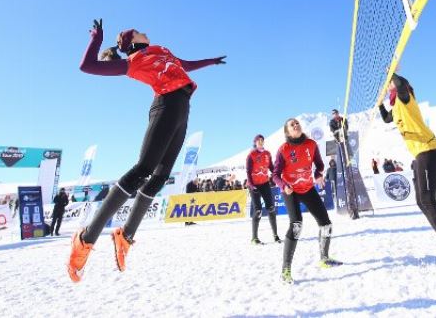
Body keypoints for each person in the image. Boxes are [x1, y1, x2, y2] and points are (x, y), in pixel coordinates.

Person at [67, 19, 225, 282]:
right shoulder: (134, 62)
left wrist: (210, 61)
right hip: (164, 106)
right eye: (138, 30)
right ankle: (85, 239)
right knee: (143, 170)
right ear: (133, 41)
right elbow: (87, 66)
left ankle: (125, 236)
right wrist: (96, 38)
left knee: (161, 177)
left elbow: (185, 65)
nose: (144, 30)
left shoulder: (162, 50)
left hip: (182, 109)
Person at [379, 73, 436, 278]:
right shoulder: (396, 106)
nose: (391, 86)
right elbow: (385, 118)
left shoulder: (405, 96)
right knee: (421, 201)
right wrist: (379, 103)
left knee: (427, 200)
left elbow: (400, 84)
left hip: (428, 149)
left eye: (391, 84)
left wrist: (390, 73)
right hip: (420, 153)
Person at [273, 118, 341, 284]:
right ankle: (285, 270)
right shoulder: (283, 149)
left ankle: (324, 258)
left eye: (297, 123)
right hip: (291, 190)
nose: (296, 125)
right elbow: (275, 175)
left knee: (326, 224)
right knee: (296, 224)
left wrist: (318, 176)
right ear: (287, 132)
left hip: (308, 188)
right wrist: (283, 185)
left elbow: (319, 166)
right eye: (291, 124)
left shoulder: (311, 144)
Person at [246, 134, 281, 244]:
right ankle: (254, 238)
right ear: (255, 142)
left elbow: (271, 167)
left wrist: (278, 173)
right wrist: (251, 185)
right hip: (254, 185)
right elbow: (248, 171)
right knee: (258, 211)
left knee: (271, 208)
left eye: (262, 140)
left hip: (265, 183)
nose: (261, 142)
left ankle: (275, 236)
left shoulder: (267, 154)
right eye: (259, 140)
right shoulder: (251, 155)